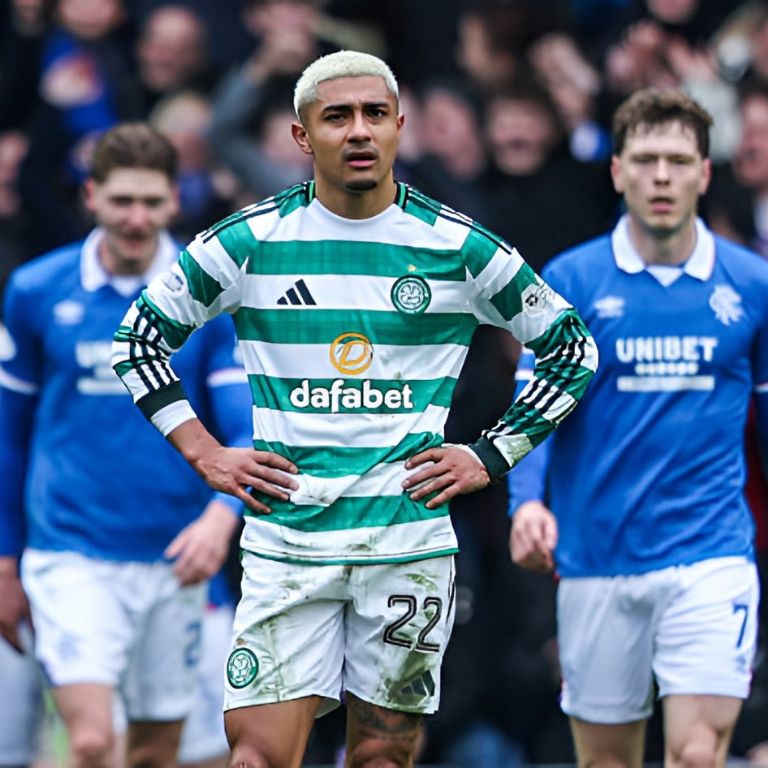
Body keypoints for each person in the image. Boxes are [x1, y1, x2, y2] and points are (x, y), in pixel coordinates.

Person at [110, 50, 598, 766]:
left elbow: (572, 349)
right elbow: (137, 341)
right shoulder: (250, 240)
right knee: (255, 757)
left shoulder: (455, 245)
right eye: (337, 116)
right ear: (303, 135)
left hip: (406, 549)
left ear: (400, 125)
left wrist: (489, 455)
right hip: (288, 547)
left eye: (375, 114)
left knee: (382, 757)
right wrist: (204, 452)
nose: (360, 130)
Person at [509, 87, 768, 768]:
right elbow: (534, 405)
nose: (661, 177)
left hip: (711, 555)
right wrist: (526, 503)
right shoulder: (572, 280)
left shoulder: (752, 285)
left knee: (697, 754)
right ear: (617, 170)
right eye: (646, 160)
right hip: (596, 560)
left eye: (678, 161)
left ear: (704, 174)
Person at [0, 122, 250, 768]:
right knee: (89, 740)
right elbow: (8, 436)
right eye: (121, 201)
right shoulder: (35, 289)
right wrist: (4, 560)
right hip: (70, 550)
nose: (136, 218)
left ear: (175, 200)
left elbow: (246, 431)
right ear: (91, 197)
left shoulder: (211, 297)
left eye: (151, 201)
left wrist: (220, 520)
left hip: (177, 557)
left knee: (155, 754)